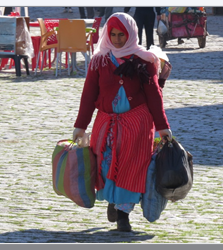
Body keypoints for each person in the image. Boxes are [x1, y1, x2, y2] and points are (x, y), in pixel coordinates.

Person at [72, 12, 172, 232]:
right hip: (106, 124)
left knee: (132, 167)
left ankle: (123, 214)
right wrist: (81, 126)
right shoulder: (100, 60)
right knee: (106, 165)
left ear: (131, 34)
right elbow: (88, 95)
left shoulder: (144, 61)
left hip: (137, 125)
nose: (117, 39)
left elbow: (154, 95)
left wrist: (163, 128)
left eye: (122, 35)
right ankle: (113, 201)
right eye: (113, 34)